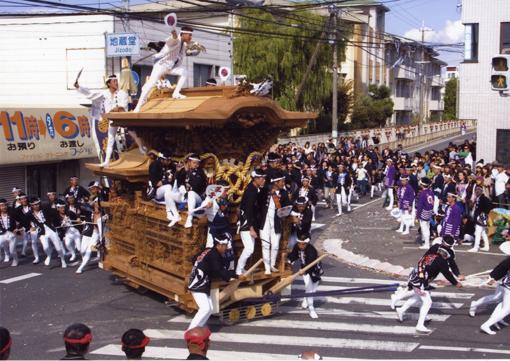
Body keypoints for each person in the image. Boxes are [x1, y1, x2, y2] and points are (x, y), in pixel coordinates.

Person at [76, 74, 142, 167]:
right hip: (112, 119)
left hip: (122, 118)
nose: (116, 83)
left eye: (116, 81)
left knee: (132, 132)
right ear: (109, 83)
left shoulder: (122, 93)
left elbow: (123, 106)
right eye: (114, 81)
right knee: (110, 140)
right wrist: (79, 87)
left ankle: (142, 148)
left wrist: (117, 108)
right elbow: (91, 94)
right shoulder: (104, 94)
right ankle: (106, 161)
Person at [395, 245, 462, 333]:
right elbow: (447, 273)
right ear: (446, 255)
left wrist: (456, 277)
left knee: (418, 297)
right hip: (420, 282)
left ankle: (402, 310)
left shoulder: (431, 255)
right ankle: (420, 325)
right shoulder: (441, 261)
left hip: (415, 277)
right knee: (427, 302)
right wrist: (456, 283)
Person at [134, 26, 194, 112]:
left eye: (191, 35)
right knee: (150, 84)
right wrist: (173, 30)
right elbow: (174, 37)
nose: (191, 37)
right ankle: (138, 107)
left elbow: (182, 54)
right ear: (183, 34)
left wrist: (192, 49)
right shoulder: (175, 40)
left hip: (171, 67)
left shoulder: (183, 45)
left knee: (184, 72)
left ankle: (176, 93)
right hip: (161, 65)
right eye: (189, 35)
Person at [187, 233, 240, 330]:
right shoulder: (214, 255)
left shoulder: (208, 251)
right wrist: (235, 276)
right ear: (218, 245)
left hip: (201, 282)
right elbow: (218, 270)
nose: (225, 248)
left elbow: (194, 259)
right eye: (224, 246)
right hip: (198, 284)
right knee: (205, 308)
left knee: (210, 308)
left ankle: (199, 327)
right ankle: (191, 330)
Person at [469, 256, 510, 335]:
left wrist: (493, 277)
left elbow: (503, 266)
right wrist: (493, 277)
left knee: (501, 304)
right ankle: (486, 325)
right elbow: (502, 266)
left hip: (506, 285)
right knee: (506, 309)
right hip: (508, 286)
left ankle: (495, 320)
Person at [259, 170, 290, 274]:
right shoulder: (265, 190)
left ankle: (272, 265)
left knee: (275, 245)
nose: (283, 183)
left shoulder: (284, 193)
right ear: (276, 182)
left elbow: (288, 206)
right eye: (282, 181)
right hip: (264, 222)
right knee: (266, 245)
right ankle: (267, 267)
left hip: (276, 222)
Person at [236, 168, 265, 276]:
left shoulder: (254, 188)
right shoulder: (251, 191)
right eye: (261, 178)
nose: (263, 180)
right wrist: (251, 228)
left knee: (250, 249)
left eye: (263, 178)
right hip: (246, 224)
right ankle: (238, 270)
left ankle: (241, 268)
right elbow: (248, 211)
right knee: (249, 249)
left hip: (250, 222)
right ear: (255, 179)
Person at [287, 234, 323, 319]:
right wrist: (289, 260)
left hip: (314, 270)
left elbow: (310, 264)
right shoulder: (297, 246)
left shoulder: (311, 251)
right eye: (299, 243)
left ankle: (305, 300)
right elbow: (294, 255)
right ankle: (311, 308)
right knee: (309, 289)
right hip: (304, 269)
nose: (300, 245)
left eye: (303, 244)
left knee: (312, 290)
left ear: (307, 243)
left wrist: (304, 271)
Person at [27, 197, 67, 268]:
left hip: (51, 230)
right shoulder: (29, 213)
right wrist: (29, 227)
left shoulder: (45, 208)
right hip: (42, 231)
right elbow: (24, 221)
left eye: (37, 204)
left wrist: (61, 220)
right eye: (34, 205)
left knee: (58, 247)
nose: (36, 206)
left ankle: (63, 260)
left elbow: (55, 213)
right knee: (45, 247)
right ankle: (48, 256)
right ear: (32, 206)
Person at [173, 154, 207, 228]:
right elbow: (178, 182)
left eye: (197, 163)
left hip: (197, 197)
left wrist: (190, 173)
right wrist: (179, 172)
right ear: (189, 162)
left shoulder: (200, 172)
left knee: (191, 193)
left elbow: (196, 187)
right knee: (170, 194)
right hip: (186, 196)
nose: (196, 165)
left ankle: (189, 218)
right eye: (194, 163)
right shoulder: (186, 170)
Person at [148, 150, 178, 227]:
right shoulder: (155, 165)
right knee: (168, 187)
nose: (169, 162)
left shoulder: (170, 165)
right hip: (156, 192)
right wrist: (168, 181)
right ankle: (169, 211)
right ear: (162, 159)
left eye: (170, 160)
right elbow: (156, 184)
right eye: (167, 160)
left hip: (168, 191)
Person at [468, 186, 492, 252]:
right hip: (479, 217)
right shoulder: (478, 198)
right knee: (483, 232)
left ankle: (476, 247)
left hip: (481, 218)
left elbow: (489, 205)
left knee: (477, 232)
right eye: (476, 190)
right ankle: (486, 246)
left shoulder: (483, 198)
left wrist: (484, 212)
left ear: (481, 191)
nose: (477, 191)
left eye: (479, 190)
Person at [416, 177, 435, 249]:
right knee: (427, 226)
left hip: (424, 212)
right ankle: (425, 240)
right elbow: (433, 202)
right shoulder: (431, 192)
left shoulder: (423, 193)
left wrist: (417, 215)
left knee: (424, 228)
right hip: (429, 211)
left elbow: (420, 205)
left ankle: (426, 244)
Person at [0, 199, 19, 267]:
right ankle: (1, 257)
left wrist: (17, 228)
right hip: (2, 234)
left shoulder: (12, 212)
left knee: (12, 251)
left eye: (5, 205)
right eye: (2, 206)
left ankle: (15, 259)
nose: (4, 207)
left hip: (11, 234)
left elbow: (21, 220)